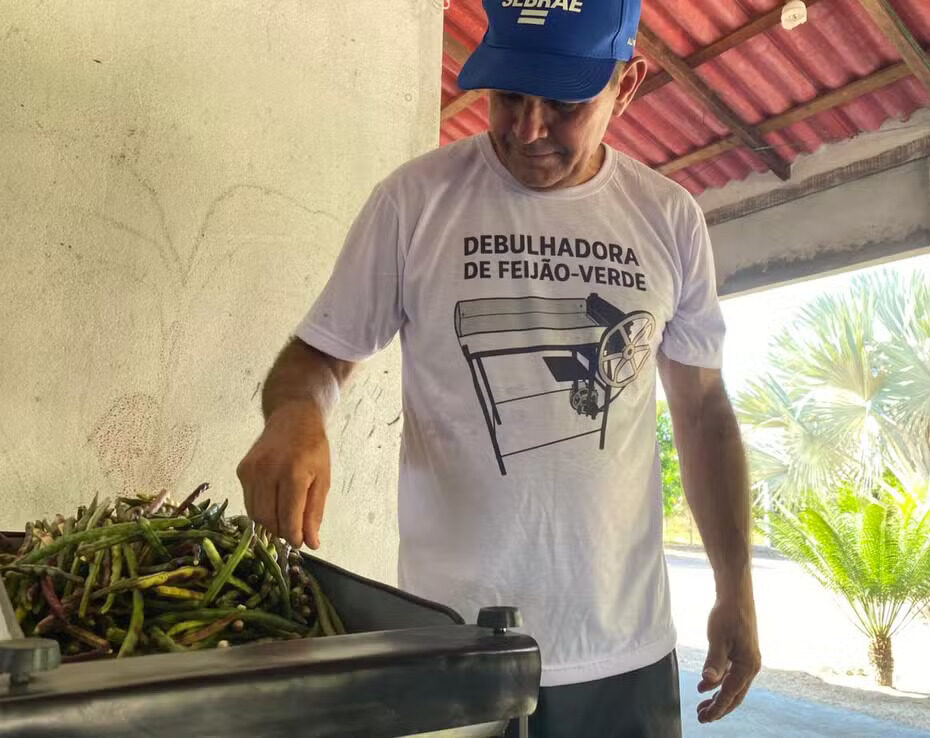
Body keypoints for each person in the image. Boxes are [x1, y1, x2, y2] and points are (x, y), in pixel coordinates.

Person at [237, 0, 760, 734]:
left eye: (564, 102)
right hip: (452, 650)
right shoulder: (414, 202)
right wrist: (297, 414)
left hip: (620, 652)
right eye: (509, 94)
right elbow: (319, 356)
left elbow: (702, 411)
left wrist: (736, 586)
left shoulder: (667, 218)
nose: (528, 128)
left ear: (629, 83)